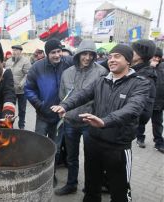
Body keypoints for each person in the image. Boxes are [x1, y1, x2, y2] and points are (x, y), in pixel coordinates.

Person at [51, 44, 151, 202]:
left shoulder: (140, 83)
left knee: (119, 192)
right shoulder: (101, 81)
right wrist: (64, 106)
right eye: (110, 57)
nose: (111, 59)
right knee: (91, 189)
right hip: (94, 142)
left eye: (117, 56)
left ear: (129, 61)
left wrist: (104, 121)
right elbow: (82, 95)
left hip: (118, 146)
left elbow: (133, 109)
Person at [55, 39, 108, 196]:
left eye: (91, 54)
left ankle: (91, 188)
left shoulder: (101, 72)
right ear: (78, 54)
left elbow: (102, 98)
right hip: (70, 122)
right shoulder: (67, 73)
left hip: (89, 122)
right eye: (84, 54)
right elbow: (62, 96)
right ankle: (71, 184)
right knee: (71, 157)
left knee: (91, 157)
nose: (87, 58)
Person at [24, 38, 73, 186]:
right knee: (38, 146)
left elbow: (86, 62)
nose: (57, 55)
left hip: (60, 117)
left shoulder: (68, 63)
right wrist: (40, 105)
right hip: (43, 115)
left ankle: (51, 175)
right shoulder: (37, 67)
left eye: (59, 51)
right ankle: (38, 174)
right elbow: (29, 89)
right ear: (47, 54)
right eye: (53, 52)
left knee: (56, 148)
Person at [130, 39, 157, 149]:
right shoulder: (134, 71)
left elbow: (145, 112)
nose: (130, 52)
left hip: (126, 128)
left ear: (140, 55)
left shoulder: (144, 77)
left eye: (133, 50)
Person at [5, 45, 31, 129]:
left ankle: (21, 126)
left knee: (22, 110)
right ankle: (10, 125)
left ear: (20, 51)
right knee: (10, 109)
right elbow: (5, 74)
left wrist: (22, 84)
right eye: (13, 50)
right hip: (11, 90)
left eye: (16, 50)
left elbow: (28, 74)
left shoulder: (25, 61)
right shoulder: (8, 61)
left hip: (22, 90)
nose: (14, 52)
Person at [150, 48, 164, 153]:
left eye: (158, 57)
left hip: (158, 102)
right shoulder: (146, 67)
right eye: (154, 56)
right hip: (146, 101)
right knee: (140, 122)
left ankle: (158, 142)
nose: (156, 59)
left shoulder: (162, 68)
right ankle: (140, 137)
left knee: (158, 123)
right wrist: (151, 68)